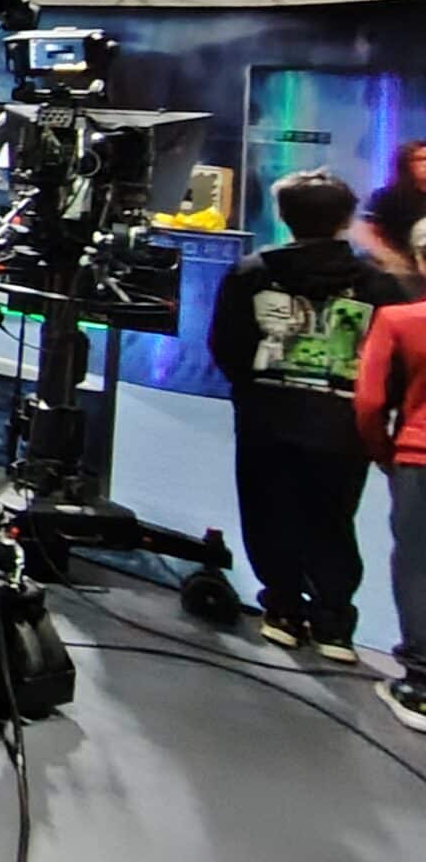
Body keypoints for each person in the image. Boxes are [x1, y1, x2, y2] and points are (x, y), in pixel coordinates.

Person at [209, 169, 404, 659]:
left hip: (266, 416)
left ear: (283, 216)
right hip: (342, 424)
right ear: (346, 219)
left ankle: (283, 610)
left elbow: (227, 344)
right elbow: (393, 358)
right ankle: (333, 623)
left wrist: (253, 389)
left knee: (268, 511)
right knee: (333, 517)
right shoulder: (377, 284)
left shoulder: (251, 272)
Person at [354, 217, 426, 733]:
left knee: (419, 566)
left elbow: (369, 402)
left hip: (418, 458)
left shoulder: (401, 320)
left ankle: (420, 685)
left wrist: (383, 452)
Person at [358, 140, 426, 291]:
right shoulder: (386, 197)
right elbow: (365, 232)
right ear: (405, 165)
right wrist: (390, 259)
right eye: (420, 159)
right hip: (401, 272)